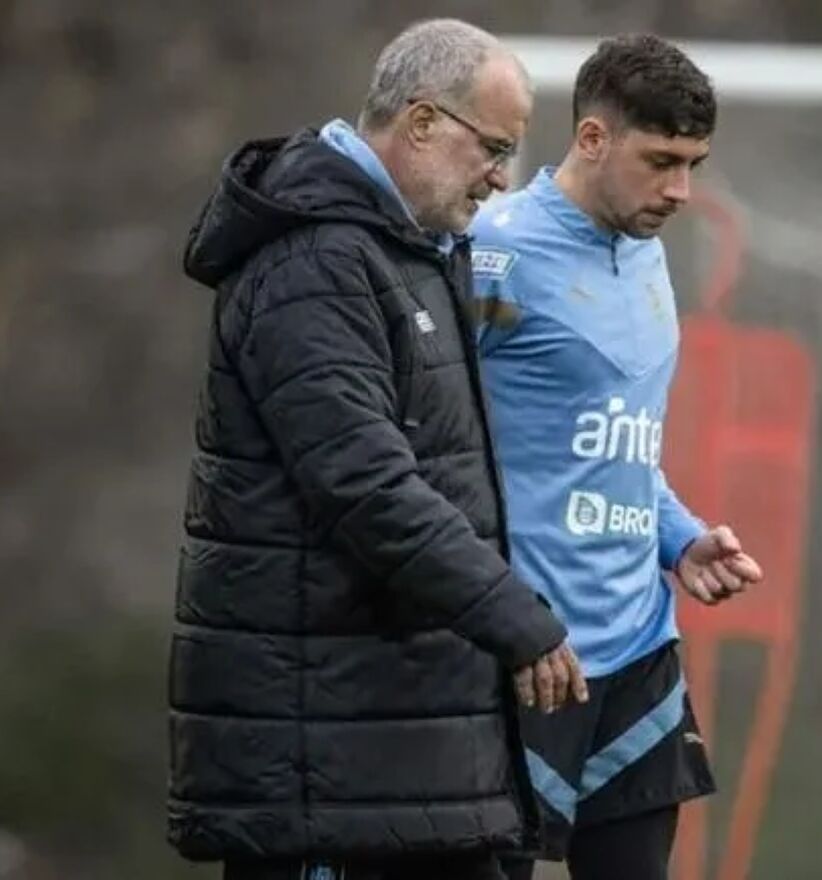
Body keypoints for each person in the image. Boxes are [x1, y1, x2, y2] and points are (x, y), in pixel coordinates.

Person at [167, 19, 588, 880]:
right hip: (328, 769)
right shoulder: (314, 262)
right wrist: (516, 620)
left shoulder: (410, 253)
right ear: (423, 122)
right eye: (494, 147)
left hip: (399, 754)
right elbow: (367, 487)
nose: (503, 177)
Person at [469, 34, 764, 880]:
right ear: (592, 138)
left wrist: (679, 537)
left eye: (694, 164)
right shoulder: (494, 251)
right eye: (661, 160)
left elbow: (611, 443)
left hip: (639, 646)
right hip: (527, 653)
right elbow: (429, 439)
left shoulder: (647, 257)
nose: (680, 190)